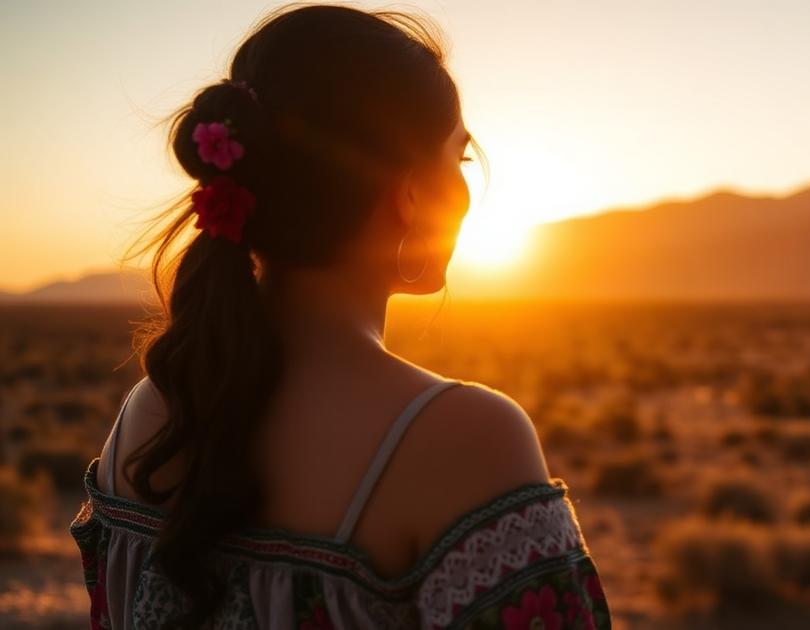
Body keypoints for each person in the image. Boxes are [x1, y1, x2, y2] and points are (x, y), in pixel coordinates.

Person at [69, 4, 611, 629]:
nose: (467, 185)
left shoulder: (151, 410)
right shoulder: (467, 440)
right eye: (459, 158)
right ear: (409, 194)